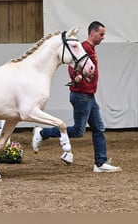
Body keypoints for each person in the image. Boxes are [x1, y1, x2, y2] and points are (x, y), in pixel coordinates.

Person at [32, 21, 122, 173]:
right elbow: (72, 65)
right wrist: (78, 75)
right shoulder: (84, 47)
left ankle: (100, 163)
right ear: (92, 33)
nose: (103, 37)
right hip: (81, 95)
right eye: (101, 34)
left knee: (98, 128)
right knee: (78, 131)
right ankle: (42, 133)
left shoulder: (90, 48)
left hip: (89, 96)